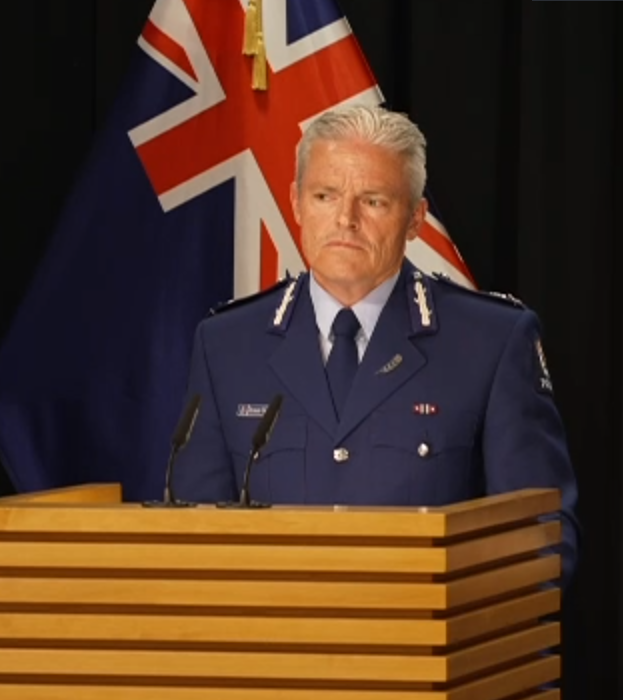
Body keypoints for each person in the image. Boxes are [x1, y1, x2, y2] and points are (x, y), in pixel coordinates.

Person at [171, 104, 579, 581]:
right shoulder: (227, 345)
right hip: (272, 649)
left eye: (374, 201)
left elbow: (542, 541)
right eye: (325, 195)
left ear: (415, 219)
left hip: (426, 648)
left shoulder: (489, 342)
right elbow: (190, 535)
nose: (346, 219)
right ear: (297, 203)